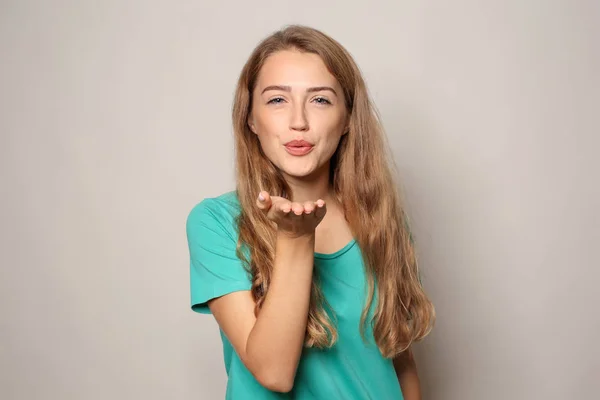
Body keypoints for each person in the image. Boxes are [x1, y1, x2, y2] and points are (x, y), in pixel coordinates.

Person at [186, 25, 435, 399]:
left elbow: (399, 358)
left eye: (319, 100)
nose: (298, 121)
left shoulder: (379, 219)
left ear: (349, 118)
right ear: (250, 118)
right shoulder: (216, 223)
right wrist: (295, 238)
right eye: (276, 100)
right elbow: (274, 372)